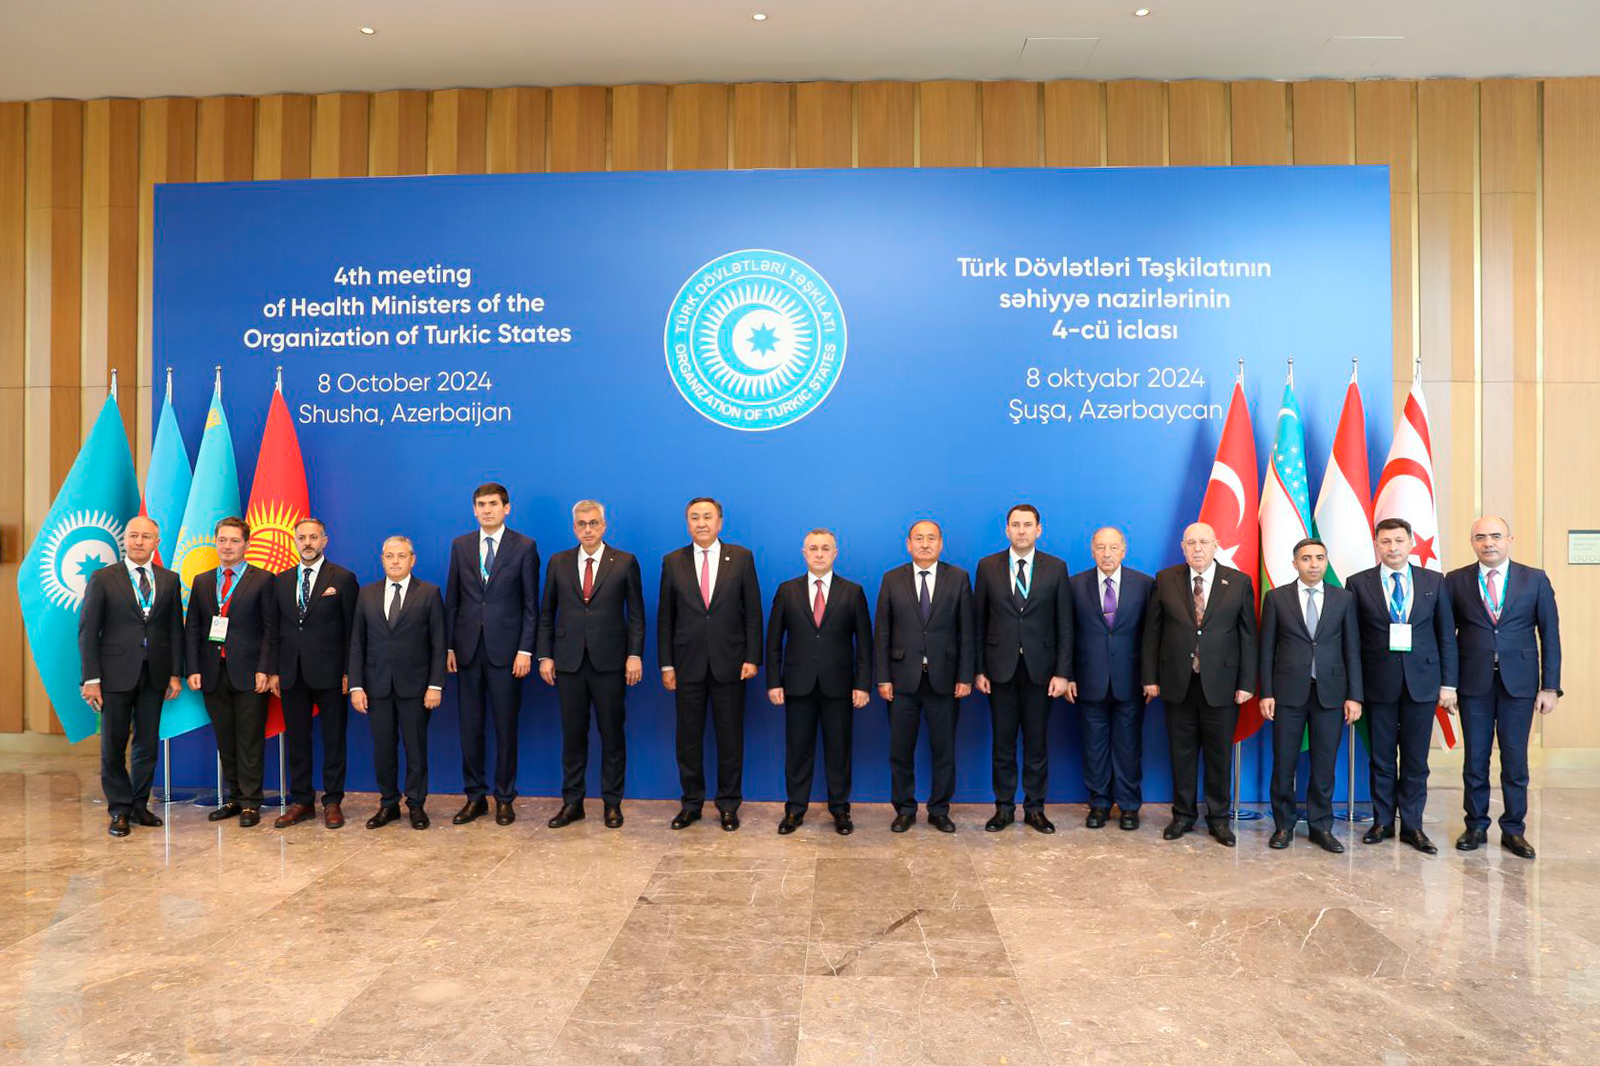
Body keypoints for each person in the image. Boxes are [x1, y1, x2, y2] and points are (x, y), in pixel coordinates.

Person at [1445, 516, 1561, 860]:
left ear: (1510, 539)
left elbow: (1550, 635)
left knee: (1515, 761)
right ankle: (1476, 825)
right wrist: (1448, 684)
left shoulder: (1534, 579)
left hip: (1520, 685)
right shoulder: (1455, 581)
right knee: (1475, 759)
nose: (1488, 543)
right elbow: (1446, 640)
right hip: (1472, 683)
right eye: (1480, 537)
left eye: (1495, 536)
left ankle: (1514, 829)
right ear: (1472, 542)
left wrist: (1550, 687)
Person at [1141, 521, 1257, 846]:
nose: (1197, 548)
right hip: (1177, 683)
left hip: (1222, 685)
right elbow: (1152, 633)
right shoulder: (1165, 580)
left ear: (1216, 544)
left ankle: (1219, 820)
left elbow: (1248, 637)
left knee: (1219, 756)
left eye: (1203, 542)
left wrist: (1247, 682)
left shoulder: (1237, 582)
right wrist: (1150, 678)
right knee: (1182, 754)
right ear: (1182, 547)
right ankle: (1183, 816)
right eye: (1190, 542)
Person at [1347, 517, 1457, 854]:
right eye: (1386, 542)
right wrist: (1355, 690)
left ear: (1410, 543)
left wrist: (1448, 685)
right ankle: (1382, 821)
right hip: (1378, 684)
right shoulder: (1358, 583)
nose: (1392, 548)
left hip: (1422, 684)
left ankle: (1412, 825)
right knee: (1381, 758)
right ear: (1376, 545)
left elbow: (1446, 637)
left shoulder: (1434, 581)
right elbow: (1352, 642)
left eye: (1398, 541)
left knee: (1414, 760)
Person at [537, 500, 645, 830]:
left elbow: (637, 615)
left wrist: (634, 654)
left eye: (593, 523)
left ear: (604, 525)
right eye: (582, 524)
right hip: (568, 663)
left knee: (612, 734)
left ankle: (612, 804)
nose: (588, 529)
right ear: (574, 527)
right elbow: (546, 614)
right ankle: (573, 803)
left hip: (610, 663)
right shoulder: (558, 562)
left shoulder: (624, 562)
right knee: (573, 736)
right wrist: (545, 655)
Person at [658, 497, 762, 831]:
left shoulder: (741, 557)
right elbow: (665, 618)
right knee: (687, 739)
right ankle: (691, 804)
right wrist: (666, 665)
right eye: (694, 517)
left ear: (720, 522)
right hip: (686, 665)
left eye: (707, 517)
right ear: (687, 523)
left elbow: (753, 614)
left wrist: (751, 657)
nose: (701, 523)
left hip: (730, 664)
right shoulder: (673, 561)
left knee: (730, 738)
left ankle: (729, 805)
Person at [77, 516, 184, 838]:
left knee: (147, 745)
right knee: (113, 745)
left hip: (155, 675)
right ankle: (119, 810)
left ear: (157, 543)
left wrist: (175, 674)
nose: (139, 541)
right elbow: (87, 632)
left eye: (146, 536)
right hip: (114, 676)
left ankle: (139, 805)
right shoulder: (103, 578)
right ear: (126, 540)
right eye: (134, 535)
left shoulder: (169, 579)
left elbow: (175, 630)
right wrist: (91, 678)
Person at [1258, 538, 1363, 853]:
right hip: (1288, 694)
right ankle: (1283, 825)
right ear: (1295, 564)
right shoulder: (1276, 598)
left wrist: (1354, 695)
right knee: (1284, 763)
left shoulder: (1343, 599)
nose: (1313, 564)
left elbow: (1352, 650)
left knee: (1324, 763)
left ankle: (1321, 827)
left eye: (1319, 558)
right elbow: (1266, 651)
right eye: (1306, 558)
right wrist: (1267, 692)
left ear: (1326, 562)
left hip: (1331, 694)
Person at [766, 529, 872, 836]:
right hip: (797, 686)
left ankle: (840, 811)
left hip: (839, 687)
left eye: (825, 548)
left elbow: (864, 644)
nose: (819, 553)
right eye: (813, 548)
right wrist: (774, 681)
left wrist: (862, 684)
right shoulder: (787, 590)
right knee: (798, 751)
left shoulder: (852, 592)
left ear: (835, 553)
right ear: (804, 553)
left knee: (839, 751)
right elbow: (773, 641)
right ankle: (795, 810)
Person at [444, 482, 539, 826]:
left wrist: (525, 650)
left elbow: (531, 606)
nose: (487, 509)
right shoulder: (461, 545)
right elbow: (452, 599)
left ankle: (504, 798)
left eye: (493, 504)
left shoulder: (525, 546)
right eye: (481, 504)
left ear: (507, 508)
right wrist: (450, 646)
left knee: (505, 728)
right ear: (474, 509)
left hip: (508, 654)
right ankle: (474, 797)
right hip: (468, 652)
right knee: (470, 728)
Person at [973, 504, 1072, 834]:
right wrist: (979, 669)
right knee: (1002, 744)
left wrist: (1062, 672)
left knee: (1036, 743)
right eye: (1015, 525)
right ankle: (1003, 808)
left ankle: (1035, 808)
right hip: (999, 671)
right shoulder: (987, 566)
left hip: (1041, 672)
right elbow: (978, 622)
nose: (1021, 530)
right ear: (1007, 530)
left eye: (1027, 525)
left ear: (1038, 530)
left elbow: (1065, 625)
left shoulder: (1056, 568)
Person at [874, 519, 975, 833]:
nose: (925, 544)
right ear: (908, 544)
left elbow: (967, 633)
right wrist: (883, 678)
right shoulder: (892, 579)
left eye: (931, 538)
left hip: (945, 680)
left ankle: (939, 810)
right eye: (919, 538)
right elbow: (883, 632)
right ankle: (904, 809)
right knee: (900, 750)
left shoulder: (958, 578)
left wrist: (965, 676)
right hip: (902, 680)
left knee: (943, 751)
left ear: (941, 544)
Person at [185, 517, 277, 828]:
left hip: (250, 674)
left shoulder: (263, 580)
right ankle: (235, 798)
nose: (227, 546)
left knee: (250, 739)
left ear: (246, 544)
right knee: (226, 740)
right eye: (222, 540)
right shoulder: (203, 581)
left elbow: (270, 629)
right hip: (213, 672)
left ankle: (252, 802)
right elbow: (194, 628)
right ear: (216, 542)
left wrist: (266, 668)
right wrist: (193, 669)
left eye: (234, 541)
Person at [268, 517, 359, 830]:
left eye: (313, 537)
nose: (307, 542)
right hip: (292, 673)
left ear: (325, 541)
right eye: (302, 537)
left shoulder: (344, 579)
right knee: (297, 740)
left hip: (332, 674)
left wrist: (350, 672)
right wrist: (274, 670)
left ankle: (332, 802)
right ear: (294, 541)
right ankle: (301, 801)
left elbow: (353, 631)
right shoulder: (280, 580)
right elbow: (274, 630)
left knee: (334, 739)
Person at [349, 536, 446, 830]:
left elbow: (439, 643)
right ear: (382, 559)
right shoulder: (366, 594)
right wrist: (356, 686)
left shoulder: (429, 593)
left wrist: (435, 685)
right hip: (377, 686)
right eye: (389, 556)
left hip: (416, 688)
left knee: (416, 748)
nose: (395, 561)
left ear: (412, 560)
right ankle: (388, 804)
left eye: (401, 556)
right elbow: (357, 643)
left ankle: (416, 805)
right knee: (383, 749)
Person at [1066, 526, 1155, 830]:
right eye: (1101, 548)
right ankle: (1099, 804)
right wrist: (1068, 675)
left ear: (1123, 550)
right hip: (1089, 680)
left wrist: (1149, 677)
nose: (1107, 554)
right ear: (1092, 550)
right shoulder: (1074, 585)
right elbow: (1067, 634)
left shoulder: (1144, 584)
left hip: (1131, 681)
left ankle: (1129, 807)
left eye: (1113, 547)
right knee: (1094, 747)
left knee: (1128, 747)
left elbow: (1151, 636)